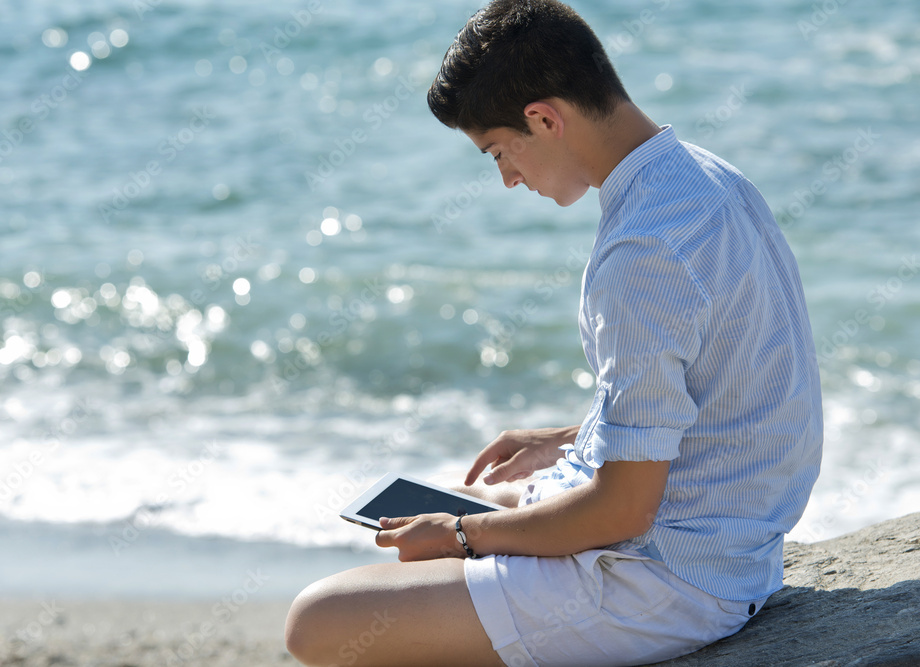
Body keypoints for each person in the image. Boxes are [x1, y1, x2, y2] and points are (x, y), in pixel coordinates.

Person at [285, 1, 823, 665]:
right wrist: (573, 436)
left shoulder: (640, 251)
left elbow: (623, 512)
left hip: (668, 579)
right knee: (474, 500)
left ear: (544, 118)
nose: (508, 178)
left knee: (316, 620)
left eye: (498, 152)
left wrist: (461, 536)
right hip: (731, 543)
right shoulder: (706, 179)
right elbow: (730, 382)